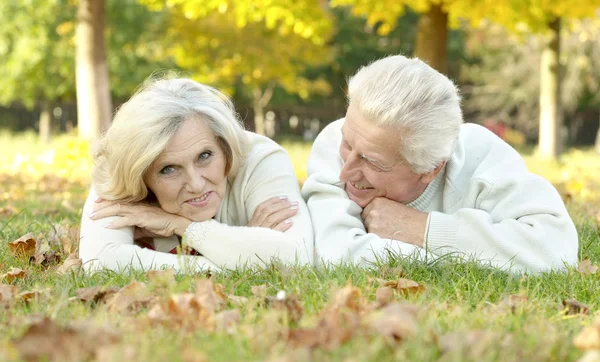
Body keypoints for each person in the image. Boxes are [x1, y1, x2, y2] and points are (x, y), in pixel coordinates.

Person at [301, 55, 578, 274]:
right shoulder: (331, 144)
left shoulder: (481, 157)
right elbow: (336, 255)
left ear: (430, 169)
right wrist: (483, 255)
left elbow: (557, 251)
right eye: (348, 144)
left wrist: (424, 230)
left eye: (372, 161)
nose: (345, 170)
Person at [79, 77, 313, 272]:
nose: (196, 184)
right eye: (168, 169)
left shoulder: (260, 158)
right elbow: (101, 262)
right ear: (141, 175)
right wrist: (243, 254)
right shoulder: (118, 173)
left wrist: (182, 225)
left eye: (204, 156)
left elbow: (296, 259)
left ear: (224, 146)